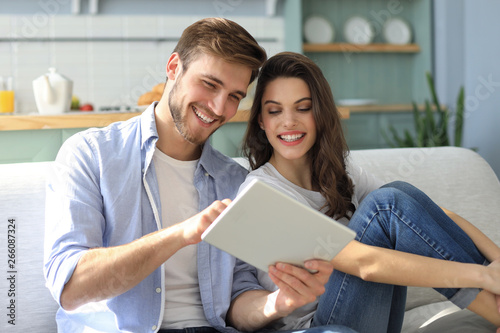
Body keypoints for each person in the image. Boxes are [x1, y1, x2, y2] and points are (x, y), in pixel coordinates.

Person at [43, 18, 357, 333]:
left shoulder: (234, 181)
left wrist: (275, 304)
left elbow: (238, 299)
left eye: (235, 95)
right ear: (173, 67)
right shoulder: (91, 155)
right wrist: (180, 234)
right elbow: (70, 287)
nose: (219, 107)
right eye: (209, 84)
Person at [229, 51, 500, 333]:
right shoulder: (263, 192)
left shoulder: (339, 174)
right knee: (385, 205)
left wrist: (497, 260)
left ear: (320, 113)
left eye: (303, 108)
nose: (288, 122)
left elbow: (425, 215)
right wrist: (483, 275)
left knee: (398, 192)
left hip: (367, 316)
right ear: (261, 120)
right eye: (275, 111)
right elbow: (365, 264)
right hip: (317, 327)